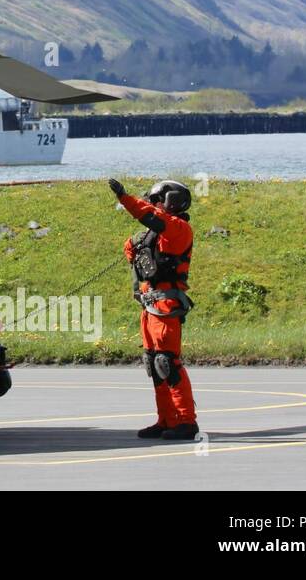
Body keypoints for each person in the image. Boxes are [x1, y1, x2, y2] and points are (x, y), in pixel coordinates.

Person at [109, 178, 199, 440]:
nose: (154, 204)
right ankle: (166, 420)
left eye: (158, 200)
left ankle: (186, 421)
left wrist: (125, 198)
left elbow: (149, 216)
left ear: (171, 202)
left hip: (165, 305)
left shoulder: (178, 228)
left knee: (168, 363)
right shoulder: (156, 232)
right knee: (154, 364)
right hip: (150, 304)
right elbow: (134, 251)